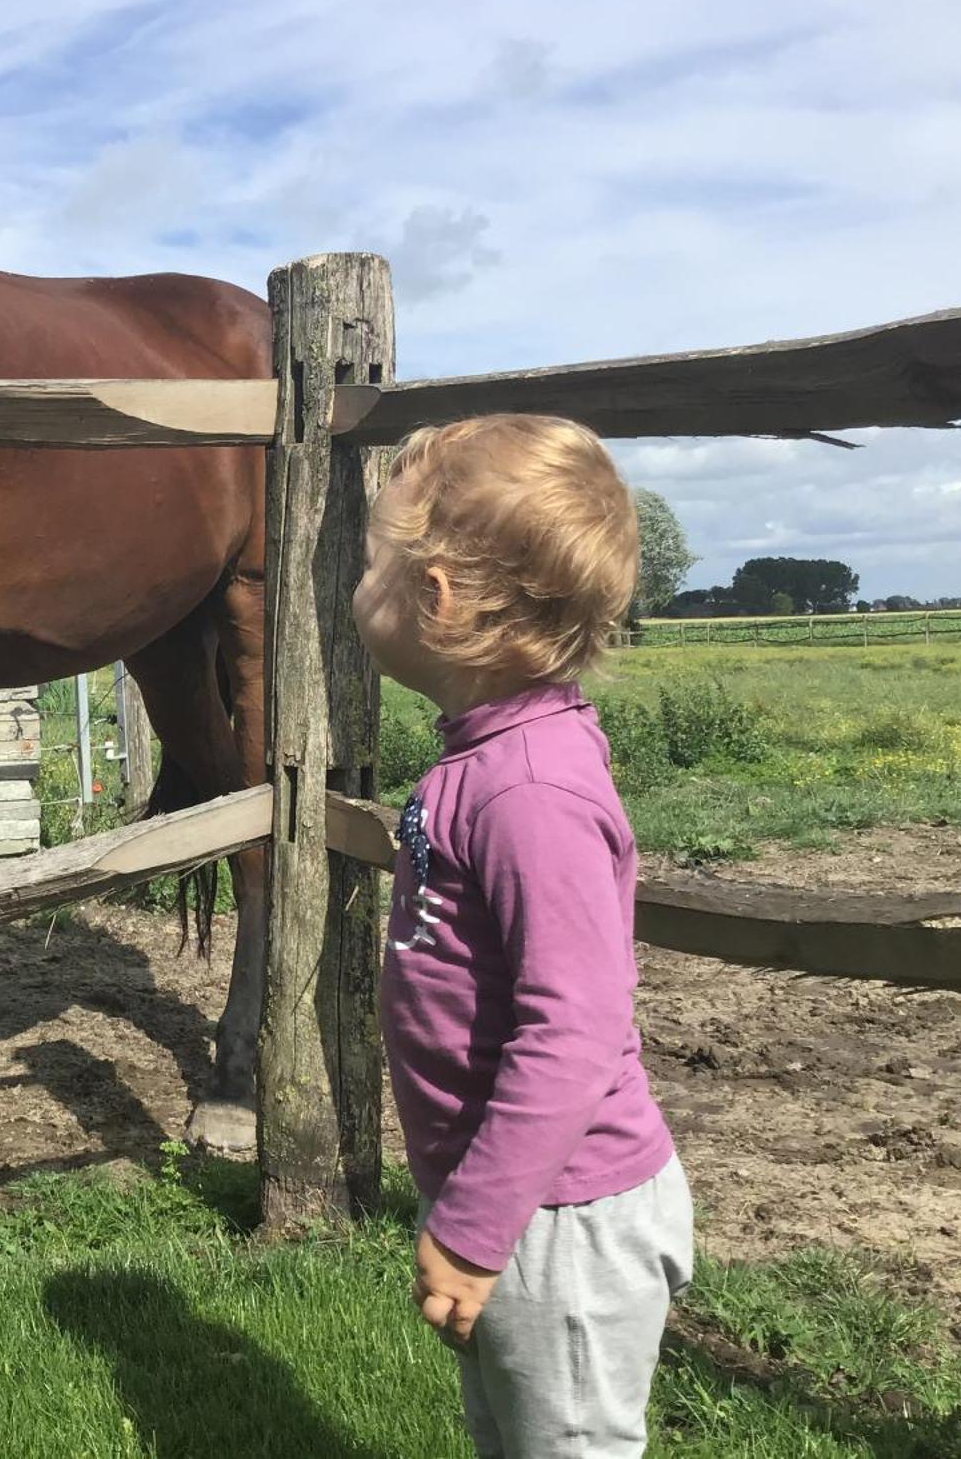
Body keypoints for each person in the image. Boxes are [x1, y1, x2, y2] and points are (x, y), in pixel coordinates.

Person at [351, 414, 692, 1458]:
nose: (354, 585)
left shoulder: (527, 790)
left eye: (368, 561)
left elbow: (574, 1033)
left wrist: (470, 1228)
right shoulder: (488, 759)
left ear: (435, 595)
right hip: (517, 1204)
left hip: (562, 1222)